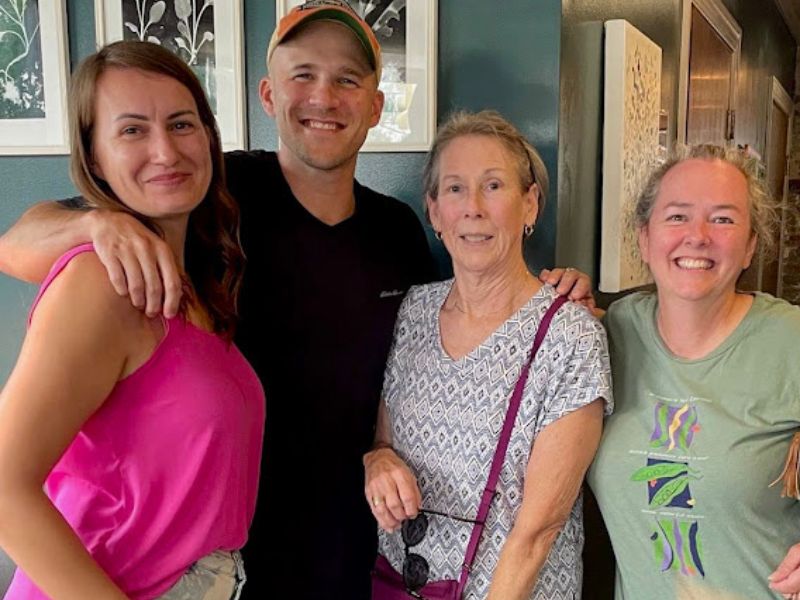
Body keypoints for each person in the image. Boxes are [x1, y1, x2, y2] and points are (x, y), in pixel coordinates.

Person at [0, 3, 592, 597]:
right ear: (268, 94)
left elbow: (460, 323)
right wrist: (94, 226)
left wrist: (553, 299)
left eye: (347, 80)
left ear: (375, 106)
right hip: (220, 553)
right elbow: (16, 244)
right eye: (303, 75)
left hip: (357, 543)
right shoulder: (209, 194)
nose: (324, 97)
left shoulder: (398, 230)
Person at [0, 41, 264, 600]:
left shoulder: (191, 286)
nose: (165, 151)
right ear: (94, 158)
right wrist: (92, 224)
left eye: (181, 124)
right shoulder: (98, 283)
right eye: (132, 130)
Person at [588, 144, 800, 599]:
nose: (697, 235)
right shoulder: (609, 335)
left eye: (723, 219)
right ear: (644, 238)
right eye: (677, 216)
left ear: (751, 245)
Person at [363, 111, 613, 599]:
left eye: (494, 186)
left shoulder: (571, 337)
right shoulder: (413, 310)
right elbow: (384, 438)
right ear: (433, 211)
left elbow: (537, 532)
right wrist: (378, 460)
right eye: (454, 189)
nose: (473, 208)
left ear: (530, 205)